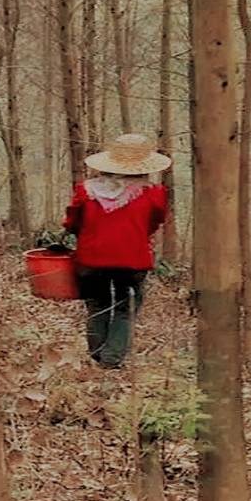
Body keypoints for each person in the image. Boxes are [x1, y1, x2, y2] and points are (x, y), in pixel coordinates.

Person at [61, 134, 171, 369]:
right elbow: (156, 221)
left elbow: (72, 222)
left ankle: (97, 356)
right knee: (125, 308)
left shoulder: (86, 190)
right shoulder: (153, 193)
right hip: (133, 260)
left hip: (90, 259)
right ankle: (110, 361)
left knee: (97, 304)